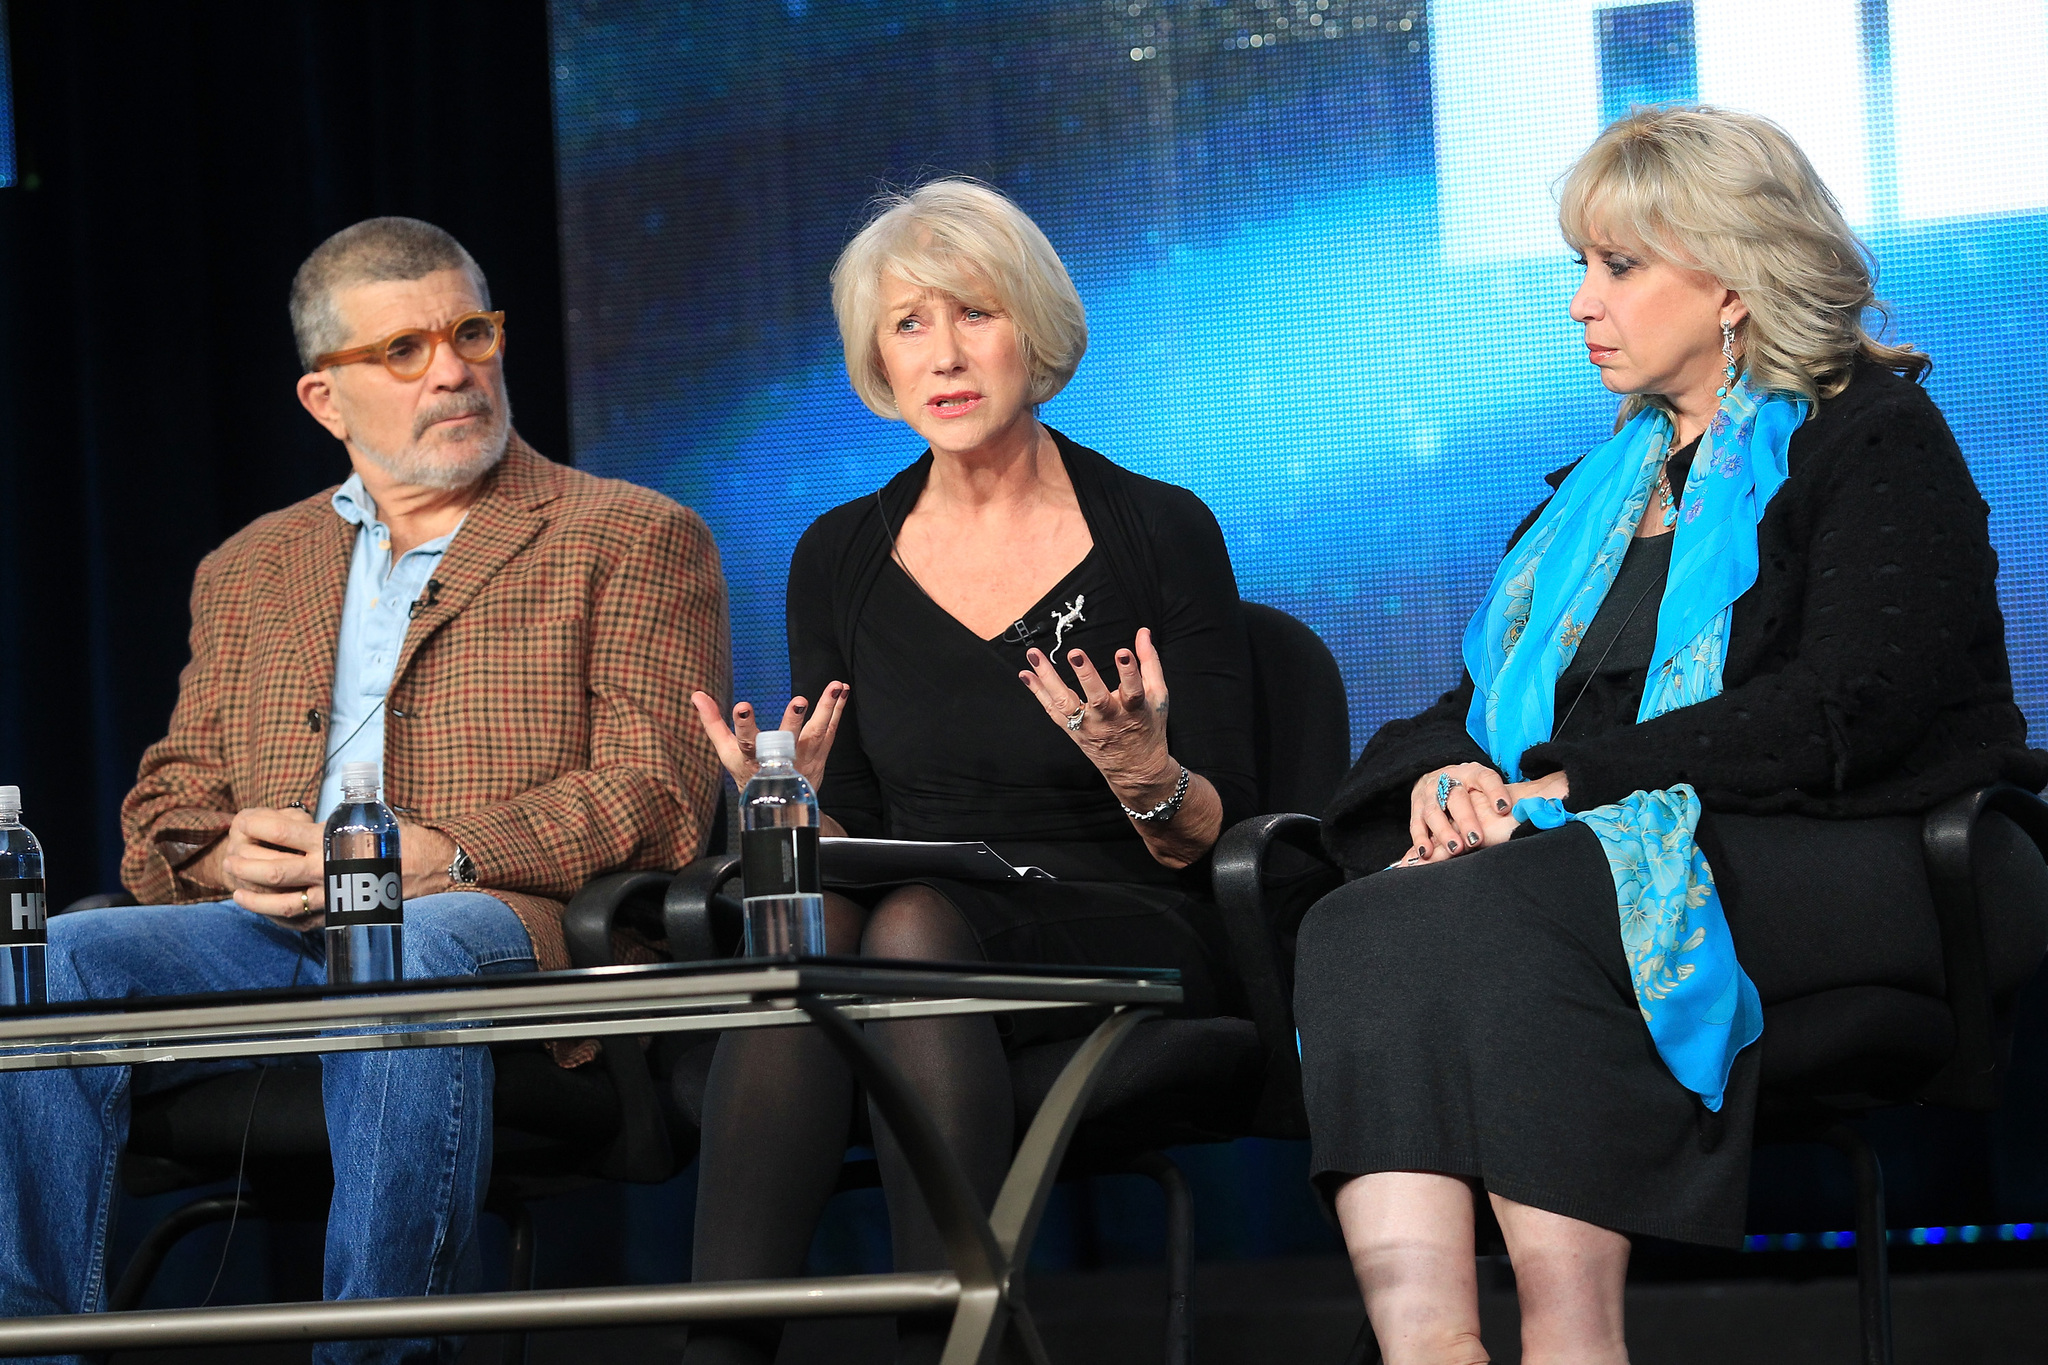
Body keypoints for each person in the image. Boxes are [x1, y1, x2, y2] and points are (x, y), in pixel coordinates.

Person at [1293, 107, 2048, 1365]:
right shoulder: (1604, 485)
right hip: (1609, 840)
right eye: (1577, 267)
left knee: (1512, 903)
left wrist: (1561, 784)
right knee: (1359, 915)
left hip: (1880, 850)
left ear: (1734, 281)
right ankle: (1429, 1347)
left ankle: (1572, 1344)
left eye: (1618, 266)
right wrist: (1447, 778)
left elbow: (1851, 703)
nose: (1581, 302)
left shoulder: (1871, 436)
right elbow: (1473, 708)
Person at [0, 217, 729, 1364]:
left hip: (495, 924)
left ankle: (375, 1354)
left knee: (415, 941)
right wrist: (216, 856)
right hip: (273, 931)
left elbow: (661, 792)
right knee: (51, 960)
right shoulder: (248, 568)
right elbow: (170, 795)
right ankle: (31, 1347)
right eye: (402, 350)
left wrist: (450, 852)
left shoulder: (627, 535)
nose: (452, 370)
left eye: (469, 333)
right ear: (323, 400)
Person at [683, 179, 1257, 1365]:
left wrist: (1140, 768)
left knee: (903, 929)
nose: (942, 355)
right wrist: (787, 807)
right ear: (876, 360)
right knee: (821, 936)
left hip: (1128, 917)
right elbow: (864, 831)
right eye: (907, 325)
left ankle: (947, 1345)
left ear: (1031, 332)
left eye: (974, 314)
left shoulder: (1159, 530)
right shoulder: (839, 553)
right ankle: (724, 1353)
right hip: (919, 906)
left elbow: (1223, 830)